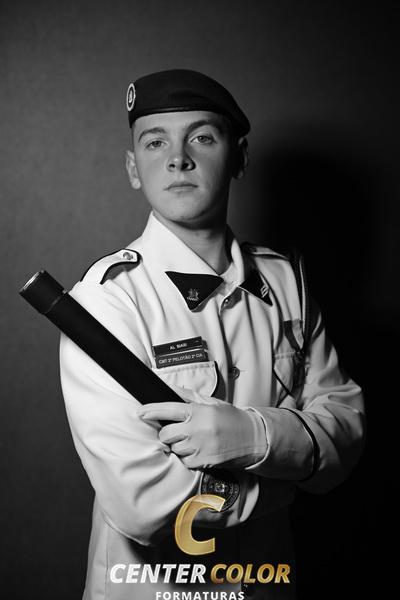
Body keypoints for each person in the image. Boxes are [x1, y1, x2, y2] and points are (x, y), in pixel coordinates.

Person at [59, 69, 365, 600]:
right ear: (133, 168)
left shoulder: (286, 283)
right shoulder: (108, 301)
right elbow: (144, 505)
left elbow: (347, 427)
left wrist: (252, 436)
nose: (178, 158)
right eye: (155, 142)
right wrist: (286, 467)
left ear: (239, 157)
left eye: (201, 137)